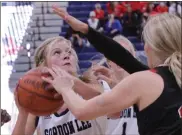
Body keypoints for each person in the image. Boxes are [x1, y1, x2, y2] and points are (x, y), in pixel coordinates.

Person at [43, 6, 182, 135]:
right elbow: (124, 57)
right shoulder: (174, 75)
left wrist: (65, 88)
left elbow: (82, 111)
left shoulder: (145, 80)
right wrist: (86, 29)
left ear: (150, 48)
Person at [12, 36, 108, 135]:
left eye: (69, 52)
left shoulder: (92, 83)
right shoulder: (39, 102)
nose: (66, 56)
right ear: (44, 65)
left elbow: (102, 100)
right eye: (57, 52)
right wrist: (23, 114)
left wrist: (70, 81)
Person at [92, 35, 139, 135]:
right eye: (116, 54)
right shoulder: (100, 87)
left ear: (134, 58)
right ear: (109, 62)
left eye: (126, 53)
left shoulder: (143, 84)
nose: (121, 58)